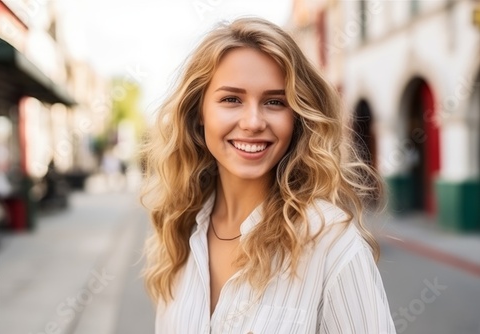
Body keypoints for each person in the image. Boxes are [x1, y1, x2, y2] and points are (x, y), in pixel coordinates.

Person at [141, 17, 396, 334]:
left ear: (296, 117)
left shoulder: (330, 241)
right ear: (198, 114)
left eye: (275, 102)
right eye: (231, 99)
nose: (252, 122)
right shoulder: (180, 232)